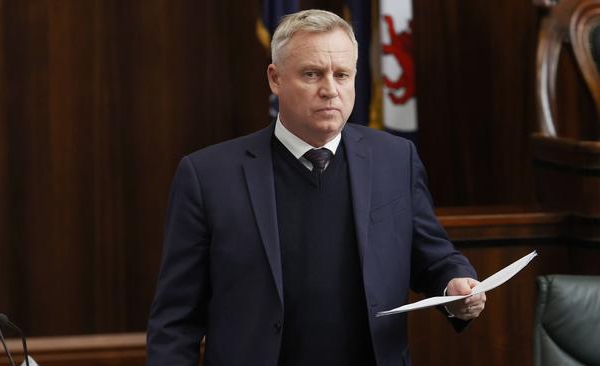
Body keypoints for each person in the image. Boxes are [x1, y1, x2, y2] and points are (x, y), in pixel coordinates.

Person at [147, 9, 485, 366]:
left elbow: (433, 257)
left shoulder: (395, 159)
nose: (330, 90)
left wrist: (455, 285)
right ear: (275, 79)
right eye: (312, 74)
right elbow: (175, 321)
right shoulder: (207, 176)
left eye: (342, 75)